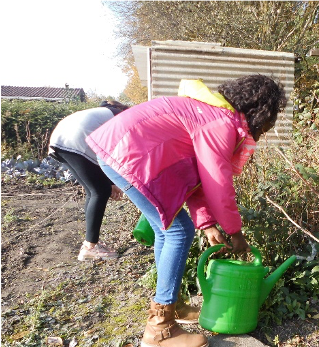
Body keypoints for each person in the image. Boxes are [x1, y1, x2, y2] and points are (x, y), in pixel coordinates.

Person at [86, 75, 287, 347]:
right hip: (128, 154)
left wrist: (207, 222)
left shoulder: (212, 115)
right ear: (261, 111)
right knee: (179, 230)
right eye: (271, 118)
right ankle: (160, 329)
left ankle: (172, 304)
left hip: (120, 150)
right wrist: (235, 232)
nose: (269, 126)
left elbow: (200, 180)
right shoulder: (221, 123)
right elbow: (217, 181)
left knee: (166, 229)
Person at [48, 100, 130, 261]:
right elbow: (115, 151)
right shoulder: (122, 115)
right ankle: (90, 246)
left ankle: (90, 243)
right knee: (100, 191)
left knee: (93, 191)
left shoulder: (100, 113)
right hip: (76, 139)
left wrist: (110, 181)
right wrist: (112, 182)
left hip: (59, 139)